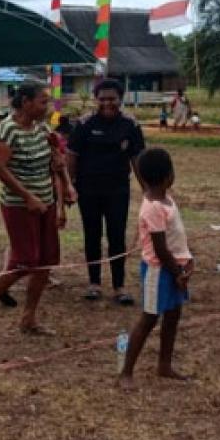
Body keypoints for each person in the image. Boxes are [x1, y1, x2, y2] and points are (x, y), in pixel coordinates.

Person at [0, 84, 64, 342]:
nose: (47, 107)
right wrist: (28, 197)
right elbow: (0, 169)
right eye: (42, 102)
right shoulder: (8, 129)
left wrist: (62, 181)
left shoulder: (41, 129)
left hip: (45, 203)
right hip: (18, 206)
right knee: (24, 261)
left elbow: (54, 162)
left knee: (46, 261)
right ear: (25, 102)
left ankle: (29, 318)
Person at [118, 147, 192, 390]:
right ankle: (126, 372)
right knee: (149, 319)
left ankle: (164, 365)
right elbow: (160, 248)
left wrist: (187, 261)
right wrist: (178, 272)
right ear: (167, 175)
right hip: (159, 272)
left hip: (175, 268)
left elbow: (176, 238)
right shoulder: (152, 207)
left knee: (173, 314)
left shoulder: (166, 199)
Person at [68, 78, 145, 305]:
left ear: (120, 99)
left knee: (117, 236)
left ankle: (119, 286)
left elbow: (137, 159)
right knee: (92, 235)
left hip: (118, 190)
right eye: (102, 99)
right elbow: (72, 157)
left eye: (112, 99)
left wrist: (147, 190)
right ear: (96, 99)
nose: (107, 103)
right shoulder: (84, 124)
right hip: (88, 190)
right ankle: (94, 283)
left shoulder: (131, 125)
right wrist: (69, 186)